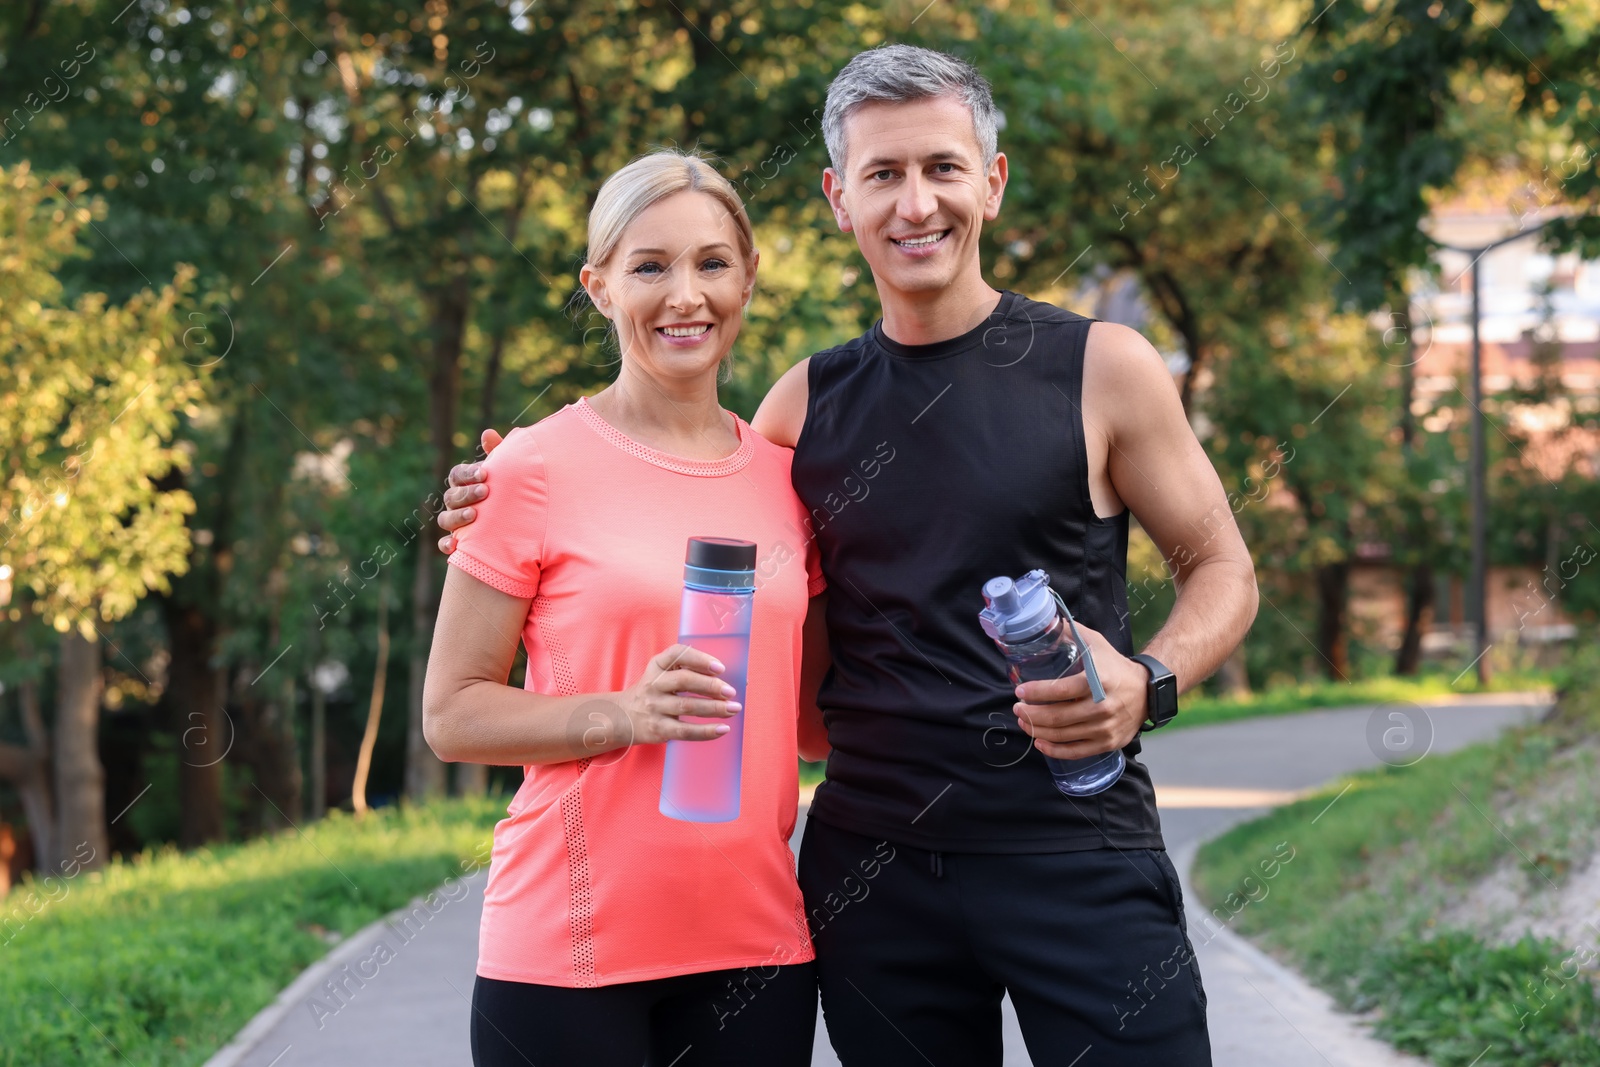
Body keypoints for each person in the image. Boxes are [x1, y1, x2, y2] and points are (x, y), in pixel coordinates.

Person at [441, 45, 1255, 1066]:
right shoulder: (800, 409)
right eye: (882, 174)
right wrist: (501, 485)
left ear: (991, 182)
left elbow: (1221, 567)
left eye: (942, 167)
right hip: (874, 879)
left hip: (1075, 852)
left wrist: (1149, 678)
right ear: (839, 199)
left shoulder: (1101, 368)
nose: (916, 203)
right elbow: (666, 493)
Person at [422, 149, 829, 1067]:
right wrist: (627, 714)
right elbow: (451, 714)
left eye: (712, 263)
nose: (685, 294)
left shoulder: (788, 480)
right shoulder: (528, 466)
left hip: (758, 949)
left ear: (748, 278)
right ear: (599, 286)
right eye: (650, 266)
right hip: (569, 957)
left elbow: (811, 725)